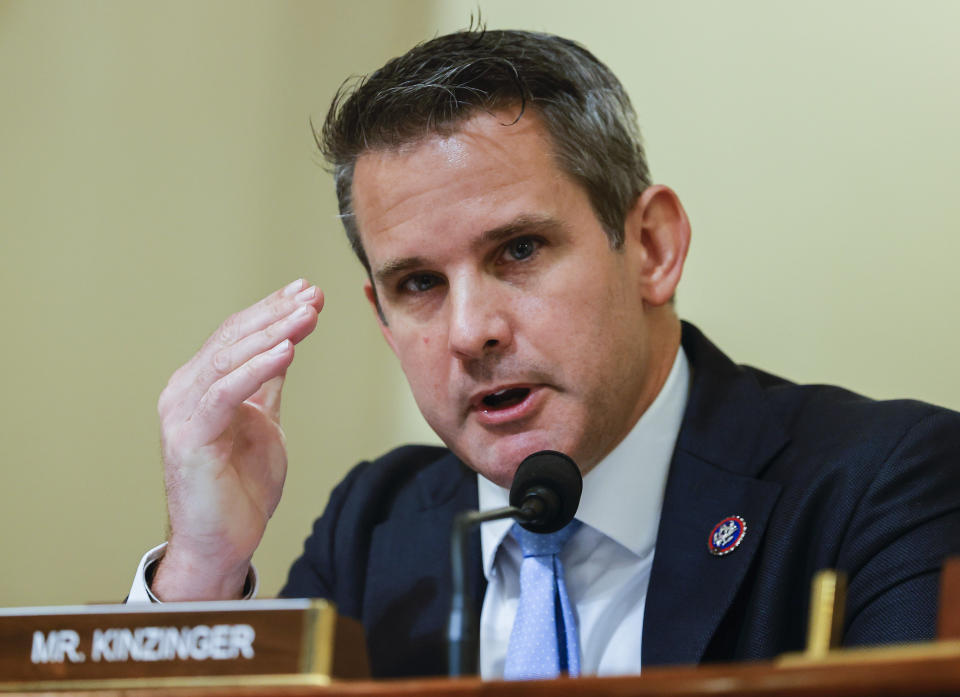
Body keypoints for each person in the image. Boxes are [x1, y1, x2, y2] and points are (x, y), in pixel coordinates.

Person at [129, 28, 960, 679]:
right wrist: (203, 566)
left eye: (519, 250)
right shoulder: (377, 524)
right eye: (418, 282)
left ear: (652, 247)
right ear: (381, 317)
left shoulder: (882, 485)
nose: (470, 331)